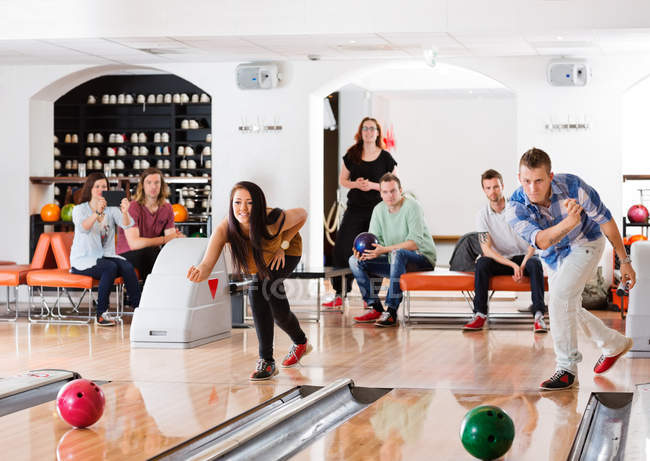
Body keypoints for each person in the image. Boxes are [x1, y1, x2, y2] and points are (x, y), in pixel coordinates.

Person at [506, 148, 635, 390]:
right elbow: (542, 241)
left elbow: (606, 221)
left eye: (538, 181)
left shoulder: (574, 186)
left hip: (586, 242)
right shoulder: (514, 207)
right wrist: (569, 221)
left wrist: (625, 261)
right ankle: (613, 344)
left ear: (551, 176)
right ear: (519, 178)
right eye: (526, 181)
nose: (532, 188)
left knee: (559, 299)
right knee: (568, 307)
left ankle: (566, 368)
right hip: (553, 254)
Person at [187, 181, 311, 380]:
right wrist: (200, 271)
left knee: (259, 289)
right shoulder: (225, 228)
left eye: (249, 203)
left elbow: (303, 215)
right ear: (231, 204)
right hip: (261, 259)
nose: (242, 209)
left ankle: (267, 361)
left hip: (286, 253)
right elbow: (207, 263)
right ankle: (300, 342)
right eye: (237, 202)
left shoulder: (272, 220)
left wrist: (283, 244)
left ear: (259, 204)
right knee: (278, 312)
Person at [325, 117, 398, 309]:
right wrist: (356, 184)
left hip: (377, 211)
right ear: (361, 131)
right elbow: (343, 180)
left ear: (377, 132)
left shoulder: (385, 157)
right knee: (341, 249)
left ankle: (370, 297)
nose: (368, 132)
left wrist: (373, 185)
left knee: (373, 252)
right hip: (354, 209)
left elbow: (394, 184)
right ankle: (340, 293)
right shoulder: (352, 154)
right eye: (365, 128)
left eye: (372, 128)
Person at [463, 169, 547, 333]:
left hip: (525, 257)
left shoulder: (517, 207)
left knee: (535, 264)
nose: (492, 191)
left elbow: (534, 240)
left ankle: (538, 316)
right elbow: (486, 249)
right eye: (488, 188)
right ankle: (480, 314)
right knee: (482, 263)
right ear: (484, 190)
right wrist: (512, 265)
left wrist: (521, 264)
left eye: (495, 187)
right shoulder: (482, 215)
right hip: (502, 260)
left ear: (502, 186)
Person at [350, 173, 436, 327]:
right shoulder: (378, 210)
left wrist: (384, 250)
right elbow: (375, 243)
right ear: (380, 193)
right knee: (354, 260)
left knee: (398, 253)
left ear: (400, 190)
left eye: (393, 191)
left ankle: (391, 310)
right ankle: (375, 307)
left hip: (421, 259)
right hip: (394, 260)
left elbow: (414, 243)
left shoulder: (413, 207)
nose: (389, 195)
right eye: (385, 192)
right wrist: (363, 252)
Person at [70, 173, 141, 326]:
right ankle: (101, 314)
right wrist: (97, 212)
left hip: (104, 256)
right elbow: (84, 228)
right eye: (97, 186)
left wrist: (124, 211)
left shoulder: (110, 209)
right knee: (110, 267)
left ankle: (139, 309)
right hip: (83, 259)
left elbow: (127, 224)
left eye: (104, 186)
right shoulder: (80, 209)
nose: (101, 189)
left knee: (127, 267)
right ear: (90, 189)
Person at [117, 168, 185, 282]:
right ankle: (148, 294)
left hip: (149, 253)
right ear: (142, 186)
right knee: (150, 253)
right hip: (125, 254)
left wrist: (179, 239)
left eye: (157, 183)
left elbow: (171, 238)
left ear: (162, 186)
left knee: (170, 255)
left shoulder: (167, 208)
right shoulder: (133, 207)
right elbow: (134, 244)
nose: (153, 186)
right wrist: (165, 239)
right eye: (149, 183)